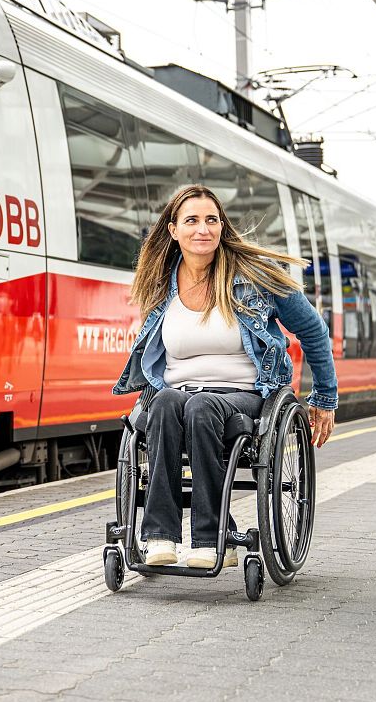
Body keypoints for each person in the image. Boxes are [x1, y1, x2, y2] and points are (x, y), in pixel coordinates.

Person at [113, 184, 337, 567]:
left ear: (222, 227)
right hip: (177, 393)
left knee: (203, 406)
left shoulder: (256, 275)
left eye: (212, 220)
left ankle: (210, 538)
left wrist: (324, 398)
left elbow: (313, 330)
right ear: (173, 230)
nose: (203, 229)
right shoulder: (160, 282)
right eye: (192, 220)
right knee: (165, 402)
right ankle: (159, 537)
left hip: (245, 394)